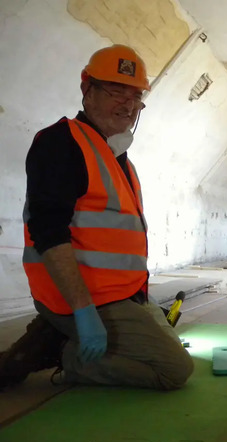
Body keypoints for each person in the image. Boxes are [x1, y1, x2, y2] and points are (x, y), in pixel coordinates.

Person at [0, 45, 194, 391]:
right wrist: (83, 311)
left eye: (136, 96)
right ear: (86, 88)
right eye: (116, 91)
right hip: (84, 298)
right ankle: (64, 350)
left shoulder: (117, 156)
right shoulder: (61, 143)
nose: (128, 104)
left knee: (166, 343)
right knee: (174, 370)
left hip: (122, 294)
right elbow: (48, 232)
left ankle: (58, 333)